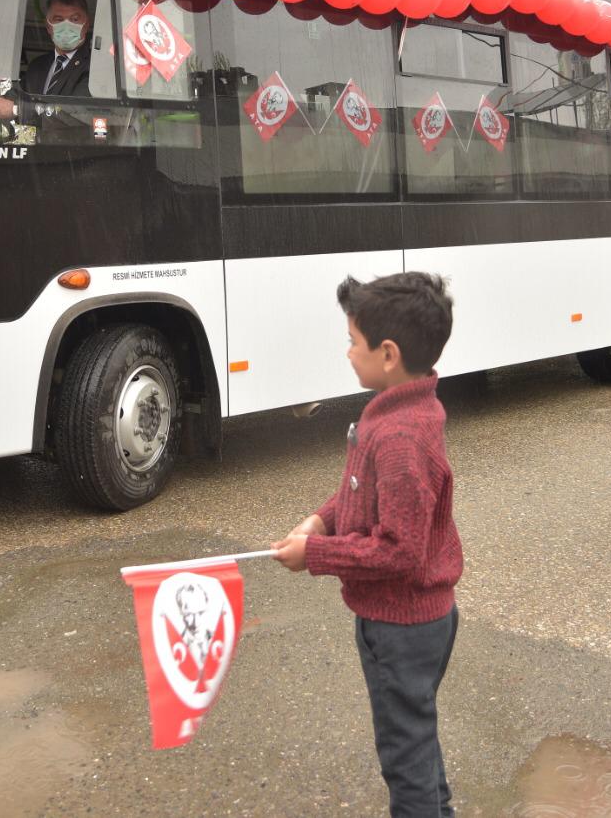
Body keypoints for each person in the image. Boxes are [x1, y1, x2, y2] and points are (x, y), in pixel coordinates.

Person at [273, 272, 463, 818]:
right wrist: (319, 521)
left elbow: (400, 549)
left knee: (405, 760)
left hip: (402, 627)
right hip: (411, 619)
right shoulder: (396, 411)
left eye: (353, 340)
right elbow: (364, 498)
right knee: (416, 740)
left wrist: (316, 556)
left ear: (387, 353)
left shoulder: (401, 435)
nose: (346, 350)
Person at [0, 0, 94, 125]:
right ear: (48, 26)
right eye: (58, 19)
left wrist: (16, 110)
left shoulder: (95, 66)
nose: (67, 25)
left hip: (78, 146)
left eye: (75, 19)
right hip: (40, 146)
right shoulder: (38, 65)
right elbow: (16, 95)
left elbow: (75, 113)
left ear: (86, 24)